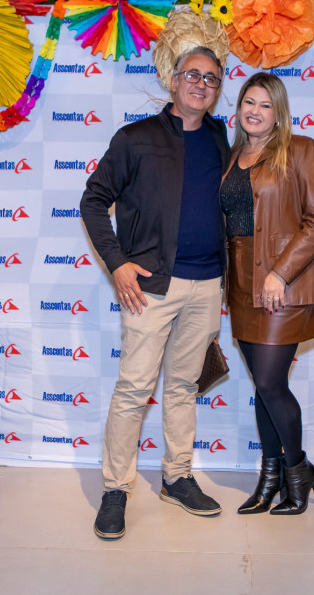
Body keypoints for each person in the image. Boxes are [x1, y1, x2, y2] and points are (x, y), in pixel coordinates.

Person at [80, 47, 230, 540]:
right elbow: (93, 200)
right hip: (151, 289)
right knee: (133, 389)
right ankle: (115, 489)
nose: (201, 84)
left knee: (184, 387)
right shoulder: (135, 138)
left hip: (207, 285)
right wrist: (117, 263)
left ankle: (177, 477)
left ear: (218, 88)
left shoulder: (219, 137)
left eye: (212, 78)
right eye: (193, 75)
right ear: (173, 80)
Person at [221, 72, 314, 515]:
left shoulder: (301, 150)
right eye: (249, 102)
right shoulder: (232, 157)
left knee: (270, 383)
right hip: (240, 284)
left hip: (280, 286)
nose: (255, 111)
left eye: (265, 105)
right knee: (265, 387)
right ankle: (270, 480)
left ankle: (297, 472)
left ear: (279, 113)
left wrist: (280, 274)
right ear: (238, 108)